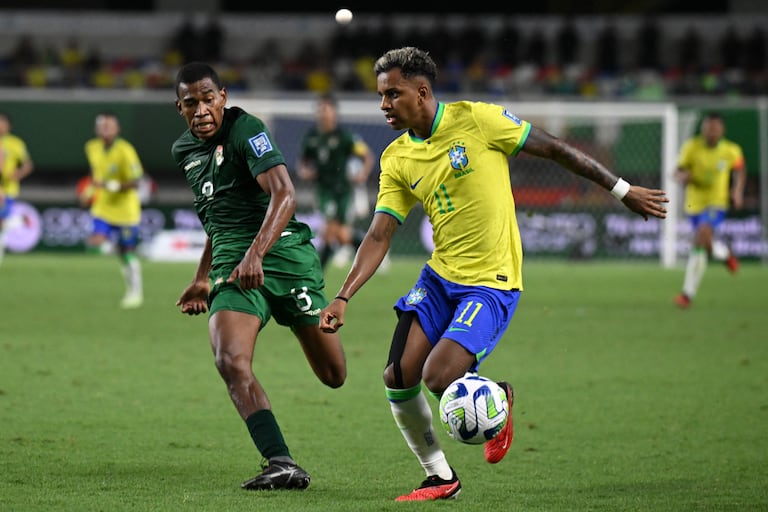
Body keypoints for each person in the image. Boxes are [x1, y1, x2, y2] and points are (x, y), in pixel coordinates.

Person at [318, 46, 669, 502]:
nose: (383, 105)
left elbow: (556, 149)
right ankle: (440, 478)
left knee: (439, 377)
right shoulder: (396, 158)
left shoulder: (479, 121)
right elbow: (380, 233)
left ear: (421, 92)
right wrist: (343, 295)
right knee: (396, 375)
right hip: (439, 278)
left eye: (392, 94)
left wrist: (621, 190)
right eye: (381, 96)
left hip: (492, 281)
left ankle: (499, 400)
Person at [172, 62, 347, 491]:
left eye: (208, 99)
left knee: (334, 375)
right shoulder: (185, 151)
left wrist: (257, 254)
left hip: (284, 254)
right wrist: (202, 275)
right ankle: (281, 461)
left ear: (223, 97)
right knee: (229, 359)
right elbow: (218, 218)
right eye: (190, 103)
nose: (201, 110)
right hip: (234, 262)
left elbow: (286, 194)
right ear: (179, 107)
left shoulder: (246, 129)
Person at [674, 112, 746, 309]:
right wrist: (683, 177)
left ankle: (687, 294)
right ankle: (723, 254)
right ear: (703, 129)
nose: (711, 132)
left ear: (722, 130)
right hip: (693, 204)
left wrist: (737, 190)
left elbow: (740, 169)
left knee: (701, 235)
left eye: (715, 128)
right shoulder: (691, 147)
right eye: (707, 127)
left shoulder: (731, 150)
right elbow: (678, 171)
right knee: (705, 242)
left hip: (717, 203)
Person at [297, 93, 375, 269]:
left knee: (337, 233)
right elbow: (303, 161)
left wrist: (362, 173)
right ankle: (371, 253)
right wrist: (304, 171)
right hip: (323, 190)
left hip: (342, 190)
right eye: (321, 110)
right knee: (335, 232)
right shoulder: (311, 138)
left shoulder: (345, 137)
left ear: (334, 113)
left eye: (327, 109)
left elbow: (367, 156)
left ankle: (317, 272)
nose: (323, 113)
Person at [83, 112, 144, 309]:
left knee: (126, 252)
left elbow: (136, 182)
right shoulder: (91, 147)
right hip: (102, 207)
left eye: (109, 126)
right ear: (96, 129)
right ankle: (112, 246)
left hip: (126, 211)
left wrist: (110, 185)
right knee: (95, 241)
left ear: (117, 129)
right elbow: (96, 174)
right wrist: (90, 190)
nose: (106, 129)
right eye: (102, 126)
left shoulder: (125, 150)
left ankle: (135, 291)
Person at [0, 112, 34, 265]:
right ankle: (20, 220)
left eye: (2, 122)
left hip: (7, 190)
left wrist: (17, 174)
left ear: (9, 126)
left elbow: (28, 165)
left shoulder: (15, 143)